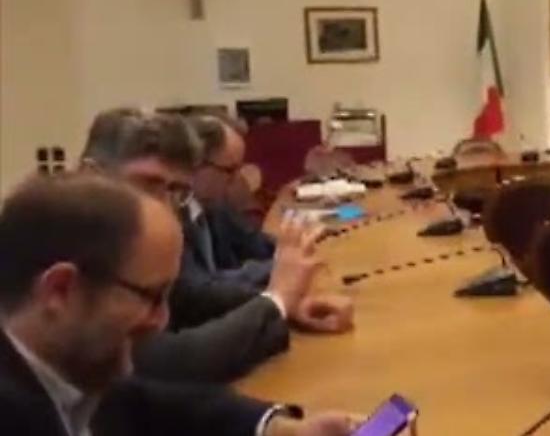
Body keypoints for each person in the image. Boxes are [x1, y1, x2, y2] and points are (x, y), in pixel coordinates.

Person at [0, 173, 356, 436]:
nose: (162, 319)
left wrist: (281, 430)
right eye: (151, 298)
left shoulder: (74, 368)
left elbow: (148, 404)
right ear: (60, 291)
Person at [80, 109, 354, 382]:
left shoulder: (146, 237)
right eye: (148, 185)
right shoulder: (74, 257)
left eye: (174, 191)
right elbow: (173, 362)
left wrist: (284, 306)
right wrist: (278, 300)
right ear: (92, 175)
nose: (162, 207)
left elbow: (161, 381)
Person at [186, 114, 275, 289]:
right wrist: (280, 268)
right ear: (196, 165)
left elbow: (257, 243)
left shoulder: (216, 204)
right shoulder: (173, 215)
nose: (237, 179)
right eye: (230, 170)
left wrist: (295, 249)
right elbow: (200, 288)